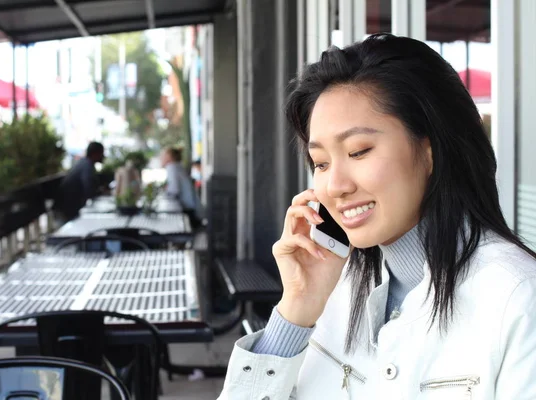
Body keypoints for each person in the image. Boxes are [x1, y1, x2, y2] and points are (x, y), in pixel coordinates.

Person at [218, 34, 536, 399]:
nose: (334, 186)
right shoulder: (337, 285)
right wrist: (295, 311)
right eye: (320, 163)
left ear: (431, 151)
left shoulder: (517, 298)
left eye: (358, 151)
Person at [53, 141, 105, 224]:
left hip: (67, 209)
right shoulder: (87, 166)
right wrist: (100, 192)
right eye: (102, 153)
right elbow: (89, 190)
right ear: (95, 153)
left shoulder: (85, 163)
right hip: (65, 212)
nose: (103, 156)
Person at [161, 147, 204, 228]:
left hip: (188, 209)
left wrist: (165, 193)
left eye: (163, 155)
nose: (161, 158)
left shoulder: (172, 167)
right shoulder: (177, 166)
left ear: (169, 157)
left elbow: (174, 190)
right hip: (192, 208)